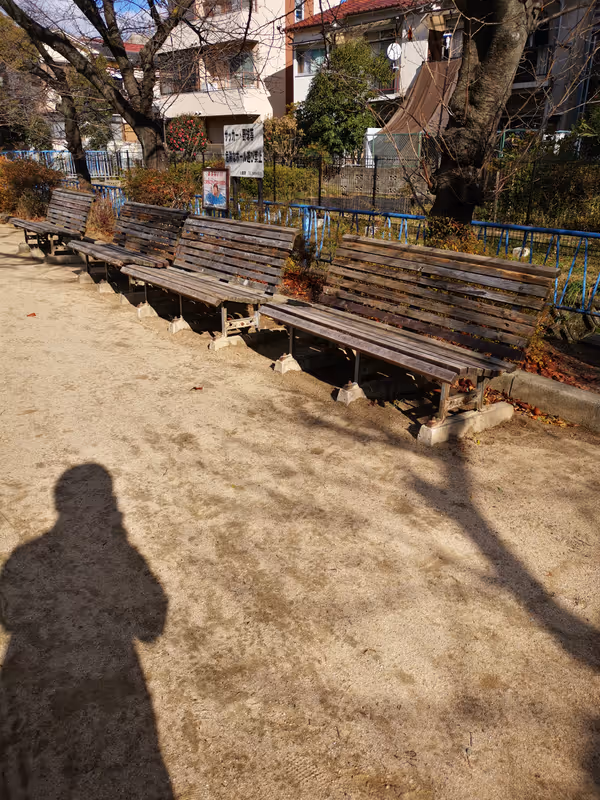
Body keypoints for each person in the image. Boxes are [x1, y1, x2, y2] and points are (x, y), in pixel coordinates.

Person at [0, 464, 173, 800]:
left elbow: (7, 615)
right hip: (110, 706)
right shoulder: (122, 556)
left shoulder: (25, 558)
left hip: (39, 714)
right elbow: (153, 622)